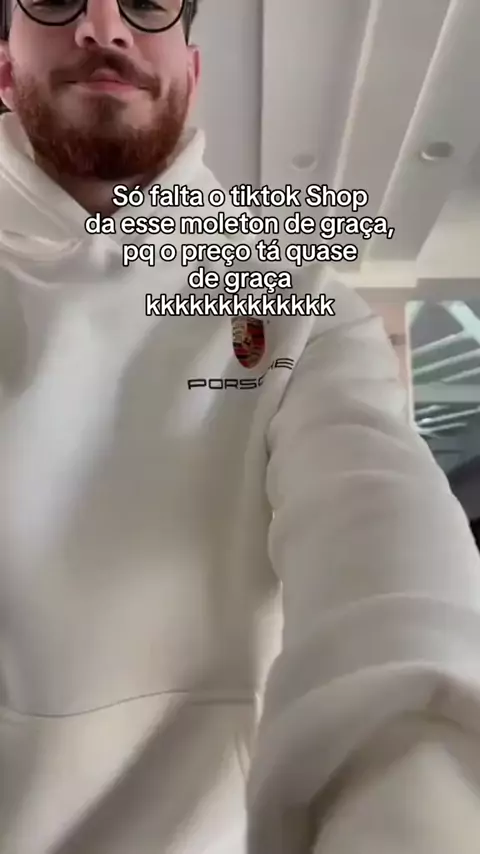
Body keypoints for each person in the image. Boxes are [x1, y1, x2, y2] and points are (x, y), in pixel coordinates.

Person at [1, 1, 480, 852]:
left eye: (148, 2)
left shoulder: (300, 307)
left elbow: (385, 547)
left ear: (192, 74)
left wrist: (415, 793)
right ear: (6, 69)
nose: (103, 25)